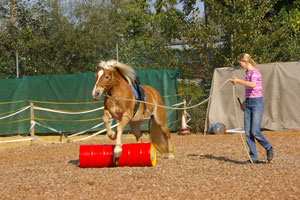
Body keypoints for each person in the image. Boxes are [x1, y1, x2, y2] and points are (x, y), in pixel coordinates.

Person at [231, 53, 273, 164]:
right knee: (248, 132)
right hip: (249, 102)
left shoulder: (255, 72)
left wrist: (238, 81)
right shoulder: (247, 73)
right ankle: (253, 157)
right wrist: (245, 102)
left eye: (240, 63)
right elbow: (250, 90)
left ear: (245, 62)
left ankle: (268, 147)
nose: (240, 65)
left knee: (255, 131)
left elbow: (253, 85)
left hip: (257, 103)